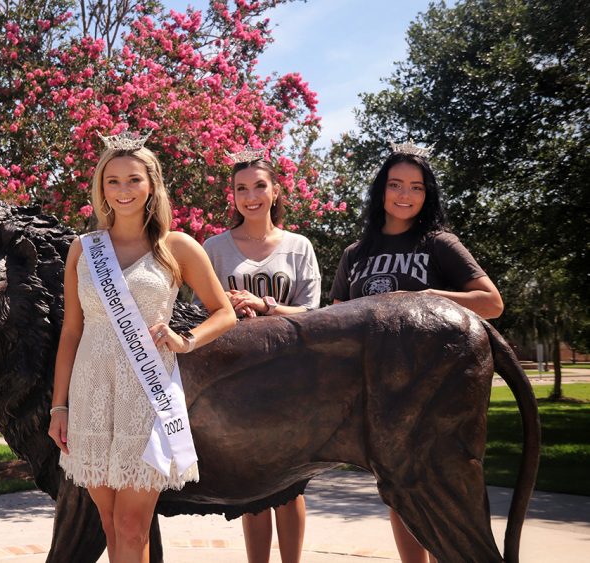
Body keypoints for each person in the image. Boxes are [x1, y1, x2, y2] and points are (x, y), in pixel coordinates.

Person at [47, 132, 236, 563]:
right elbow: (71, 332)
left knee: (133, 525)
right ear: (101, 188)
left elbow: (223, 312)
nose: (123, 190)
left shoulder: (177, 246)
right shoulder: (84, 249)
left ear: (152, 184)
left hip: (146, 395)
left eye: (133, 179)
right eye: (112, 181)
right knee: (111, 523)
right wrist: (60, 407)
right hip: (92, 390)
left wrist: (185, 341)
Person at [329, 141, 504, 563]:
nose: (405, 195)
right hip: (380, 394)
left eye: (416, 187)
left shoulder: (439, 244)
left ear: (427, 195)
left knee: (441, 489)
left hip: (436, 392)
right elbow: (336, 317)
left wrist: (426, 297)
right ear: (380, 191)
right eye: (395, 185)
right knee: (398, 490)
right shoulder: (356, 253)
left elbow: (492, 302)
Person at [201, 148, 320, 563]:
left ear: (275, 191)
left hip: (289, 377)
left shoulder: (298, 246)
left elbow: (314, 312)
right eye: (241, 189)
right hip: (235, 380)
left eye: (259, 186)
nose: (250, 196)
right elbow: (198, 310)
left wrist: (267, 305)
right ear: (232, 196)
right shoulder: (213, 248)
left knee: (289, 485)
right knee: (252, 487)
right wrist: (226, 309)